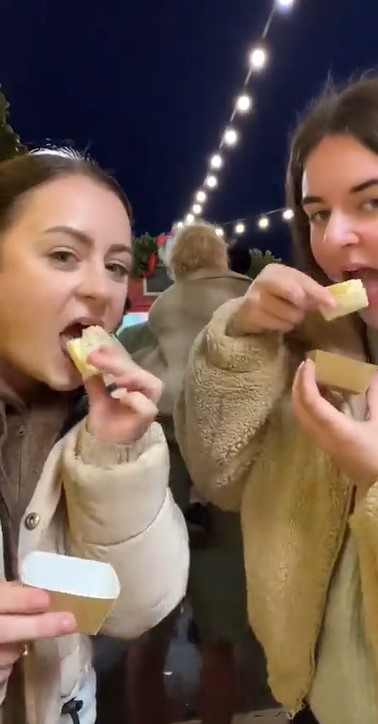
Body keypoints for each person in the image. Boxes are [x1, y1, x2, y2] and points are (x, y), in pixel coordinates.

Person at [175, 70, 378, 724]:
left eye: (371, 202)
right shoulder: (307, 343)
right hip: (308, 702)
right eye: (317, 214)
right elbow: (219, 474)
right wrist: (243, 339)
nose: (333, 241)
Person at [0, 149, 189, 724]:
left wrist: (116, 454)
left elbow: (135, 612)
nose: (100, 291)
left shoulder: (86, 422)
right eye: (63, 255)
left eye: (114, 266)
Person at [125, 222, 252, 724]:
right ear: (222, 258)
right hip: (229, 478)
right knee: (222, 640)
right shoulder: (249, 314)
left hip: (160, 480)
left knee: (149, 634)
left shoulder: (149, 324)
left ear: (175, 264)